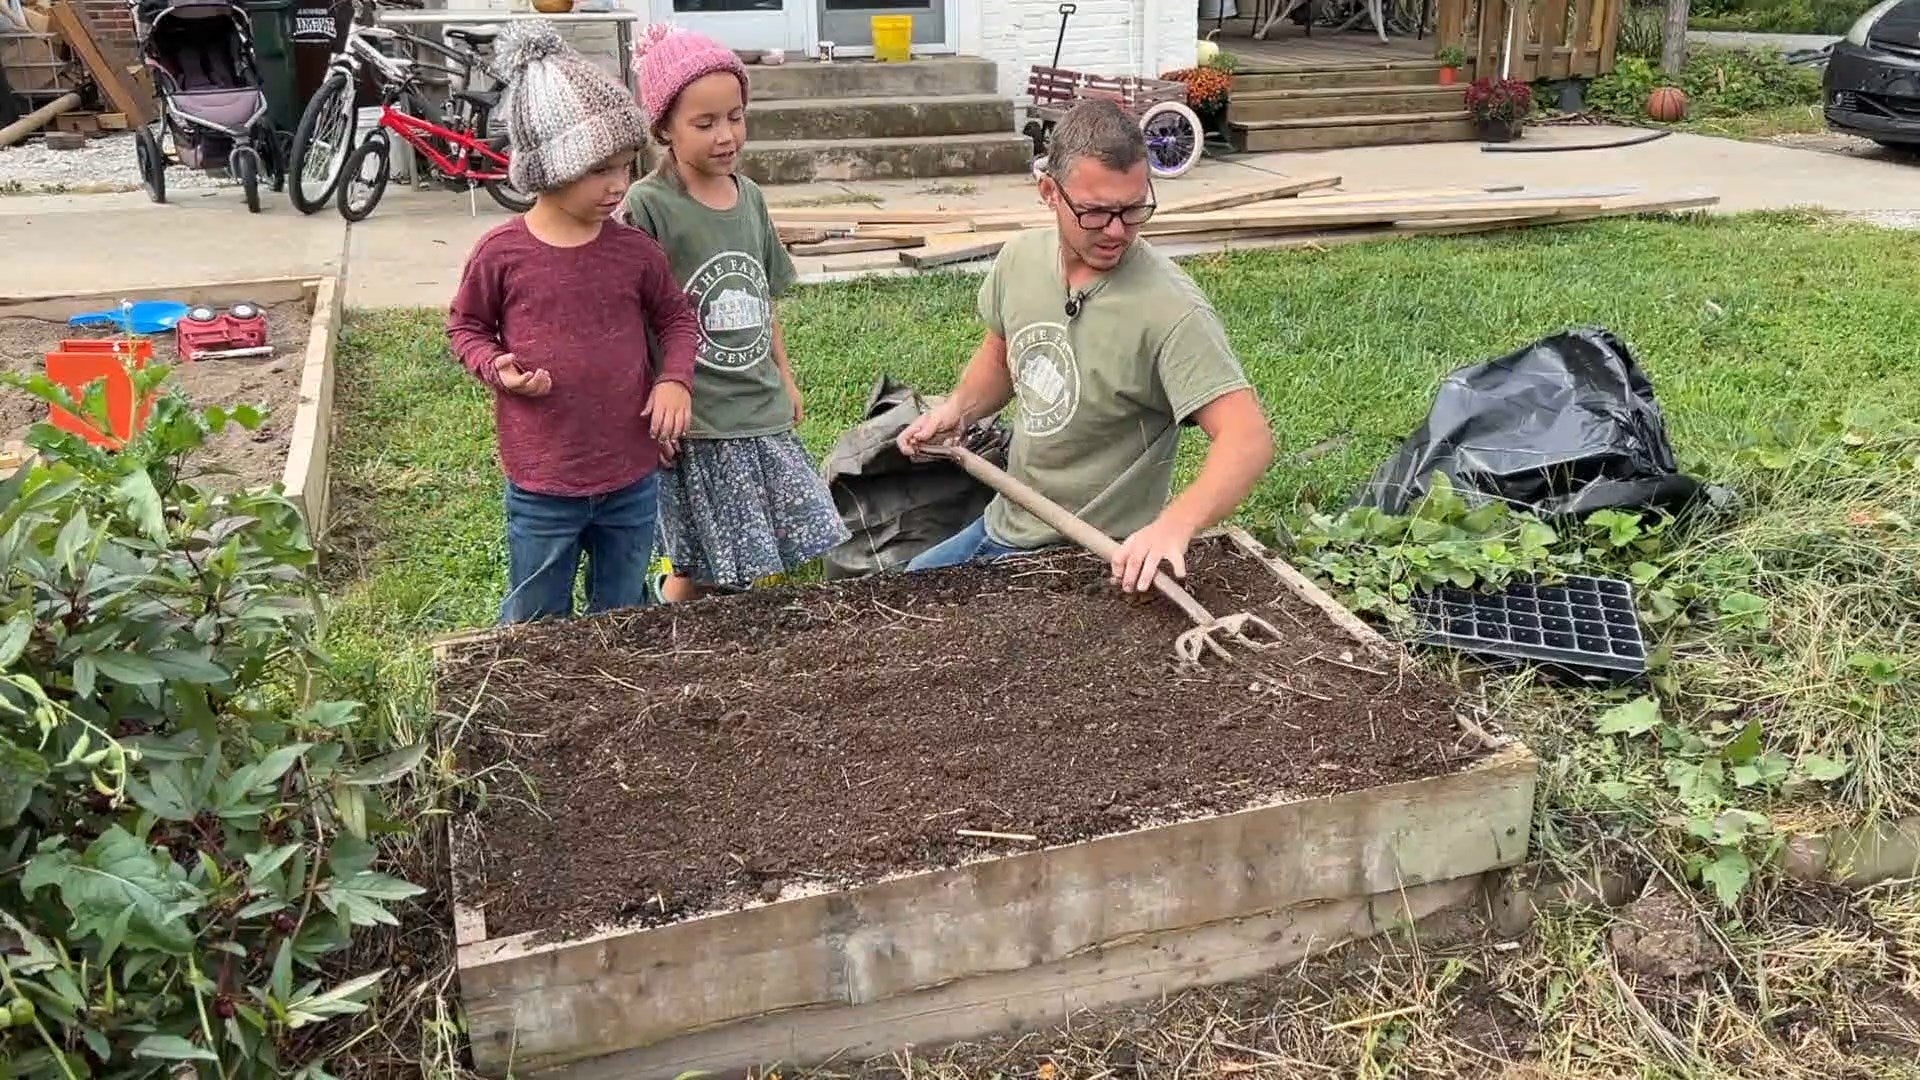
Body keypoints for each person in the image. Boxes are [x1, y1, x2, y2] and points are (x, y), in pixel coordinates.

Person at [898, 98, 1274, 592]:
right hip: (1006, 524)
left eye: (1134, 208)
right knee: (909, 592)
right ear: (1049, 192)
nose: (1118, 231)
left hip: (1092, 556)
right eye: (1096, 213)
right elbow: (1003, 355)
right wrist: (959, 409)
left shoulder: (1172, 311)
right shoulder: (1020, 260)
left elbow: (1247, 440)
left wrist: (1172, 527)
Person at [446, 21, 699, 623]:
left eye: (626, 164)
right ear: (546, 168)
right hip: (543, 484)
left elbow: (676, 318)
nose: (618, 185)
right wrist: (495, 367)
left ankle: (614, 705)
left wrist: (673, 380)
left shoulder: (634, 250)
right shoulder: (502, 253)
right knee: (535, 620)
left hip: (631, 477)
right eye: (597, 169)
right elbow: (466, 328)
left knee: (620, 614)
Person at [623, 24, 849, 602]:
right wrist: (652, 402)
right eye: (705, 124)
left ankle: (727, 637)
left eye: (736, 116)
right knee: (702, 563)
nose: (726, 136)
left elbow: (760, 294)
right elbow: (631, 319)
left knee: (756, 549)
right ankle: (674, 629)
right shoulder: (649, 206)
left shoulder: (750, 197)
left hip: (757, 406)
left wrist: (786, 378)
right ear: (664, 128)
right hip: (699, 418)